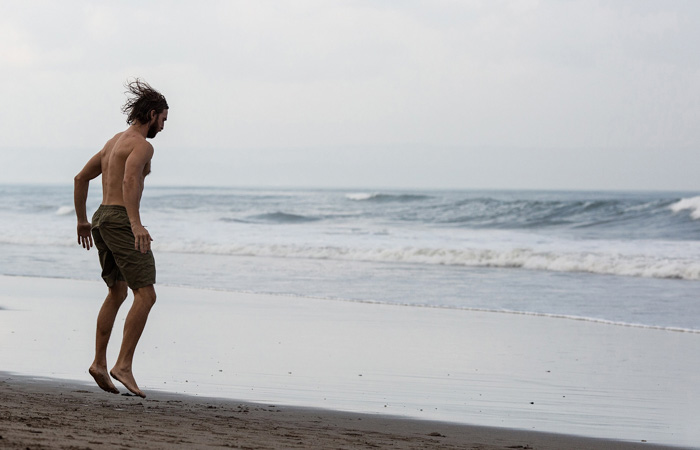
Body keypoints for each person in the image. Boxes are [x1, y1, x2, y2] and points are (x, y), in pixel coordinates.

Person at [74, 79, 168, 398]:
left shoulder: (114, 142)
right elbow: (129, 180)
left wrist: (83, 221)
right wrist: (136, 224)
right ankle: (123, 365)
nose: (164, 127)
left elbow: (81, 177)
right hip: (119, 220)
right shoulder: (142, 145)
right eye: (163, 120)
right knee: (146, 295)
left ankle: (100, 364)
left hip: (101, 218)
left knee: (117, 291)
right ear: (152, 114)